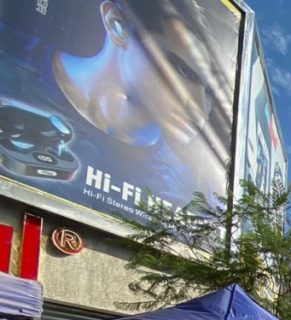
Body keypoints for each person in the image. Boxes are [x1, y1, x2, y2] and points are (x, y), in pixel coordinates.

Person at [0, 0, 236, 217]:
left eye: (209, 95)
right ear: (117, 26)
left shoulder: (187, 191)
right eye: (182, 71)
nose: (199, 108)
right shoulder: (10, 67)